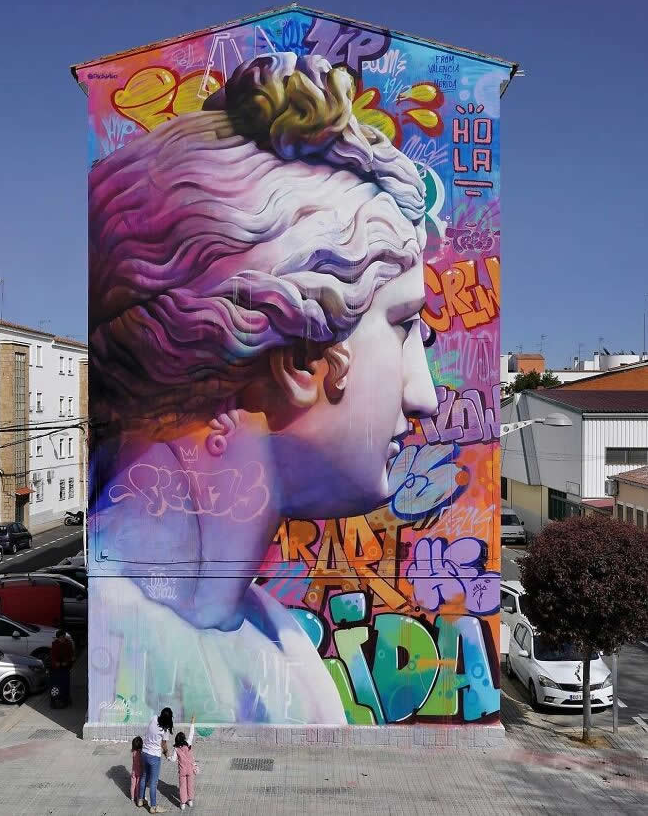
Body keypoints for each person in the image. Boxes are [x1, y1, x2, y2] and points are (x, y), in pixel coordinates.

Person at [88, 52, 439, 724]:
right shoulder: (132, 637)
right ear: (299, 357)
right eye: (400, 326)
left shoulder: (279, 648)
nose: (423, 395)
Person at [138, 707, 174, 813]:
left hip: (144, 753)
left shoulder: (154, 718)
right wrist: (166, 753)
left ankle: (140, 800)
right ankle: (153, 807)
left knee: (144, 777)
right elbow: (163, 744)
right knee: (153, 782)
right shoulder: (165, 730)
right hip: (154, 757)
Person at [169, 716, 196, 810]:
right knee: (190, 785)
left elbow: (172, 759)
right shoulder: (188, 744)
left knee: (182, 787)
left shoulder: (176, 749)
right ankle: (190, 800)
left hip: (182, 771)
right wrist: (192, 723)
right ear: (184, 738)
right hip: (190, 770)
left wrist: (167, 757)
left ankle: (183, 803)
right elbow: (191, 734)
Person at [50, 628, 74, 708]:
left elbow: (71, 656)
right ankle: (54, 699)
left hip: (65, 667)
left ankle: (65, 699)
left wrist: (66, 662)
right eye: (60, 638)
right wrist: (55, 663)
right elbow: (52, 656)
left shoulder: (68, 644)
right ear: (58, 638)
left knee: (65, 684)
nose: (62, 639)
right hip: (56, 668)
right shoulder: (54, 644)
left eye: (63, 637)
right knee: (55, 684)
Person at [130, 736, 143, 805]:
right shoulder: (141, 753)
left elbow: (133, 761)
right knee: (138, 785)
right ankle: (138, 797)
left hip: (133, 771)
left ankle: (132, 797)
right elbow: (142, 763)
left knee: (132, 784)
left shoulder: (133, 752)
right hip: (139, 772)